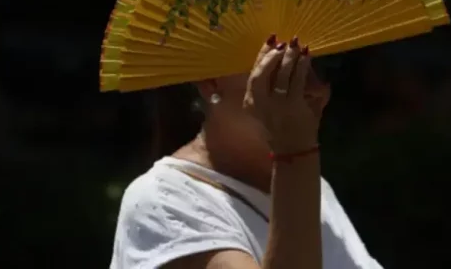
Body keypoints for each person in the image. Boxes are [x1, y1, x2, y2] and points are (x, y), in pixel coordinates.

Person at [110, 35, 384, 269]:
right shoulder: (161, 202)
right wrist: (295, 151)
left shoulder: (313, 188)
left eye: (322, 65)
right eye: (283, 66)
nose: (316, 88)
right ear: (210, 79)